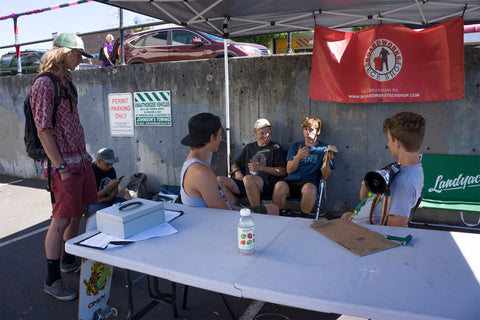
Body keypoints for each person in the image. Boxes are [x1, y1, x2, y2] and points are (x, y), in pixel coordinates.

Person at [30, 33, 98, 301]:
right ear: (63, 52)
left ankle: (69, 259)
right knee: (59, 220)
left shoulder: (67, 83)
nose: (81, 60)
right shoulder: (44, 84)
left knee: (78, 212)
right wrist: (60, 166)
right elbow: (43, 130)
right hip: (64, 165)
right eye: (78, 54)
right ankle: (52, 279)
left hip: (80, 160)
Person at [180, 113, 278, 215]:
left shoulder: (189, 163)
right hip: (225, 221)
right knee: (273, 209)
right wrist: (251, 213)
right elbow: (224, 215)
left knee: (271, 208)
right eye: (220, 135)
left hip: (221, 215)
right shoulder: (202, 172)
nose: (221, 138)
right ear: (211, 138)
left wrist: (242, 208)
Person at [342, 112, 426, 227]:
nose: (388, 143)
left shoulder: (403, 183)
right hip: (361, 221)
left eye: (388, 139)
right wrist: (365, 186)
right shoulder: (409, 167)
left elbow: (395, 231)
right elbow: (366, 201)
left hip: (360, 233)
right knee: (346, 215)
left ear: (397, 142)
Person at [272, 117, 336, 214]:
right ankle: (276, 215)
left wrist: (326, 161)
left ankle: (304, 218)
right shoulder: (296, 146)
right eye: (305, 129)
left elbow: (325, 175)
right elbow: (289, 171)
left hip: (308, 182)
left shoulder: (324, 149)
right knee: (279, 186)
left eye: (311, 130)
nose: (307, 132)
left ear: (318, 131)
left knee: (310, 189)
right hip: (291, 181)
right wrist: (298, 157)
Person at [217, 118, 286, 207]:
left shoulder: (275, 147)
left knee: (249, 179)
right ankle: (236, 208)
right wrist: (237, 172)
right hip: (247, 183)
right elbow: (235, 164)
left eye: (268, 132)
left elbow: (283, 172)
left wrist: (261, 168)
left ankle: (257, 212)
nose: (266, 135)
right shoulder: (249, 147)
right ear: (255, 132)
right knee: (219, 180)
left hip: (267, 184)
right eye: (262, 133)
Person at [85, 148, 126, 217]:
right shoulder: (90, 171)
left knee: (126, 204)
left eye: (112, 164)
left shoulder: (111, 170)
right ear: (98, 161)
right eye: (107, 164)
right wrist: (109, 187)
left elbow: (115, 189)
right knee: (106, 213)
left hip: (108, 199)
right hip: (93, 203)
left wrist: (108, 198)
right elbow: (93, 196)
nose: (110, 166)